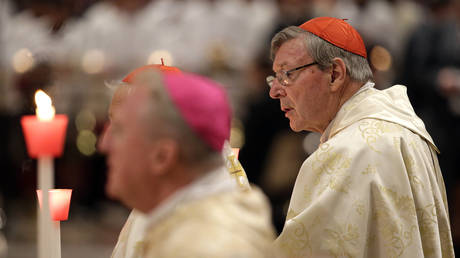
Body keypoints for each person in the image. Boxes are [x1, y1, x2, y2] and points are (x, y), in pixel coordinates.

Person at [267, 17, 455, 257]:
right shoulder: (405, 129)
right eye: (274, 77)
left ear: (335, 74)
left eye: (287, 74)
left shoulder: (346, 153)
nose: (275, 91)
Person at [98, 64, 276, 258]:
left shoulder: (201, 248)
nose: (104, 144)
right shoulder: (186, 218)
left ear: (163, 156)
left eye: (119, 129)